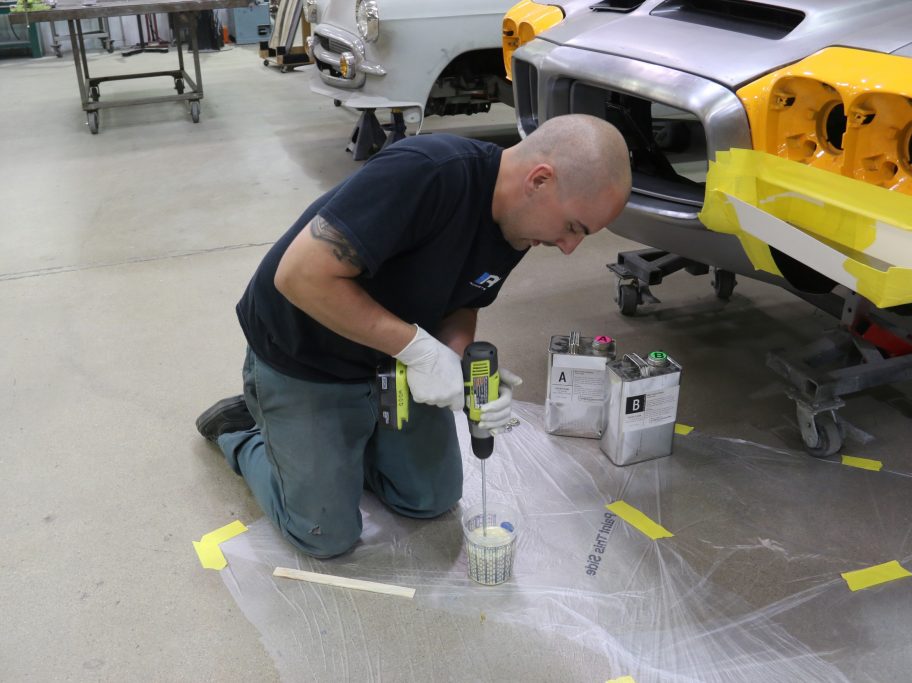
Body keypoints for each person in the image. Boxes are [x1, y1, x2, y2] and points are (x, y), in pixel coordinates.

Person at [196, 114, 632, 558]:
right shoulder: (426, 173)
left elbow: (464, 299)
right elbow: (299, 276)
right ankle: (249, 429)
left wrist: (458, 367)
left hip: (388, 359)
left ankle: (344, 441)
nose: (570, 247)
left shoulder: (519, 225)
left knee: (429, 499)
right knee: (325, 534)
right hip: (306, 353)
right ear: (539, 180)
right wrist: (421, 352)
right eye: (574, 227)